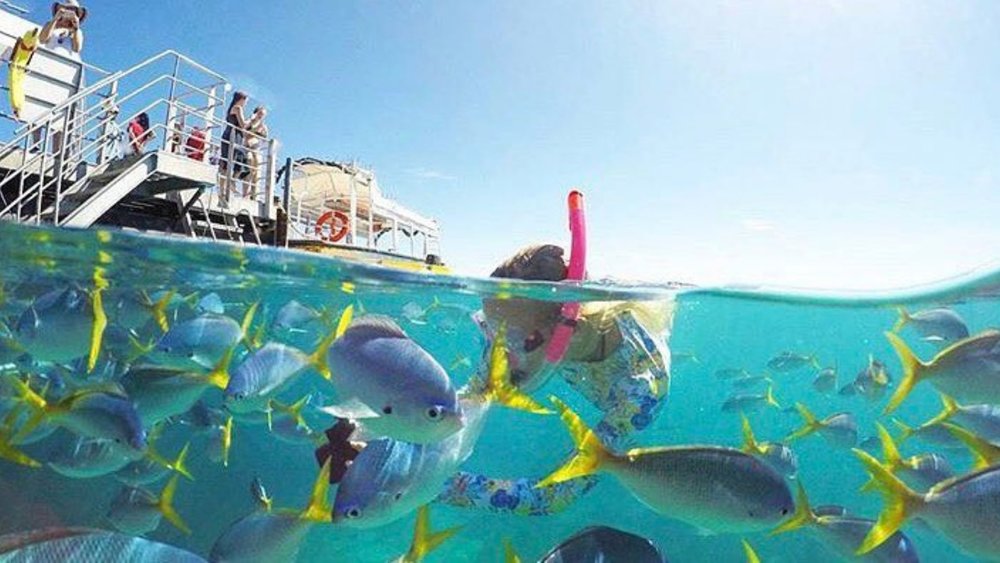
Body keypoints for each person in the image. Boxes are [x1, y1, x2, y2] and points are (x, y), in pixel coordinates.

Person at [218, 91, 248, 207]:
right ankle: (226, 188)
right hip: (233, 137)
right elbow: (243, 125)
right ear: (242, 99)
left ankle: (228, 186)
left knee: (232, 163)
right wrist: (253, 119)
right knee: (227, 164)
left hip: (234, 136)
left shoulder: (233, 107)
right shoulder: (238, 108)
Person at [243, 106, 269, 198]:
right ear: (256, 113)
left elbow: (265, 139)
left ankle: (254, 196)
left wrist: (262, 132)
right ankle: (245, 194)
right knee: (249, 170)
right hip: (247, 148)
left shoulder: (263, 126)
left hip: (256, 149)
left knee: (256, 173)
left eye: (263, 115)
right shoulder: (249, 122)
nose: (261, 116)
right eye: (260, 113)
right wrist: (255, 129)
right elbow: (245, 134)